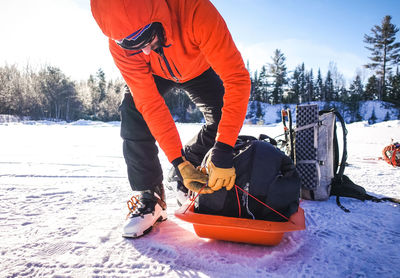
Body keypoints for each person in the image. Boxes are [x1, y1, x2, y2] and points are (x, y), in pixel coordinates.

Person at [91, 0, 251, 238]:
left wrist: (224, 148)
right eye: (132, 46)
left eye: (147, 38)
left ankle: (194, 164)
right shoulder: (122, 44)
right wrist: (178, 161)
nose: (144, 51)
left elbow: (237, 79)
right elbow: (150, 104)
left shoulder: (195, 10)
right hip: (155, 73)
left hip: (199, 68)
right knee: (133, 110)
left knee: (221, 118)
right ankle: (151, 197)